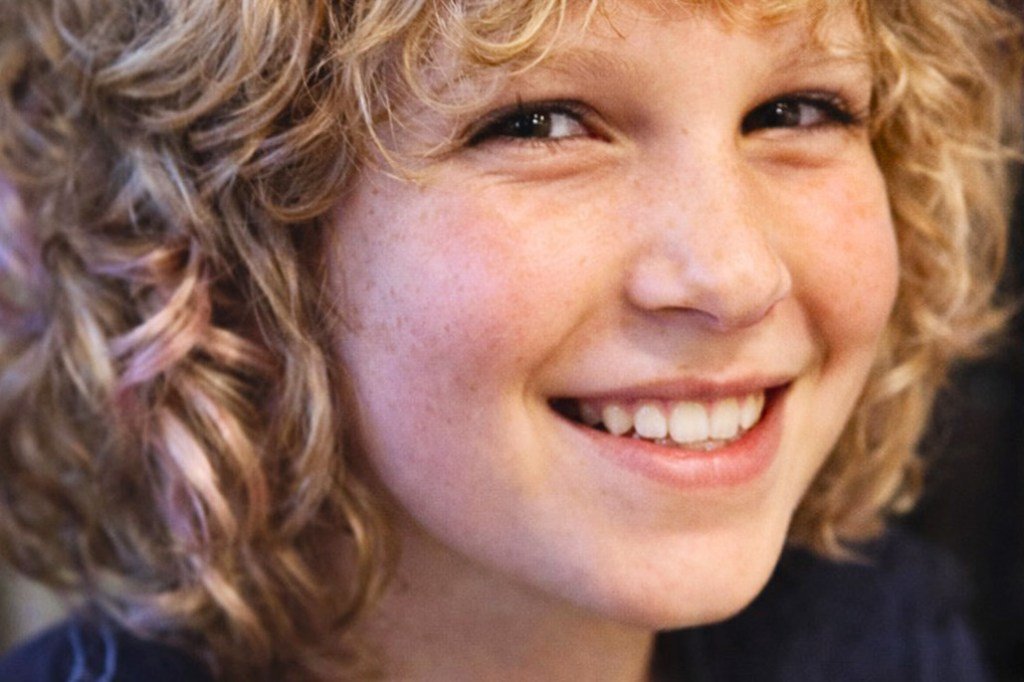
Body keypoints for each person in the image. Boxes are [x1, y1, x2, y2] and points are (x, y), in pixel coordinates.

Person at [0, 0, 1020, 679]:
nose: (735, 276)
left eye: (796, 111)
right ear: (220, 251)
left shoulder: (872, 636)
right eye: (541, 125)